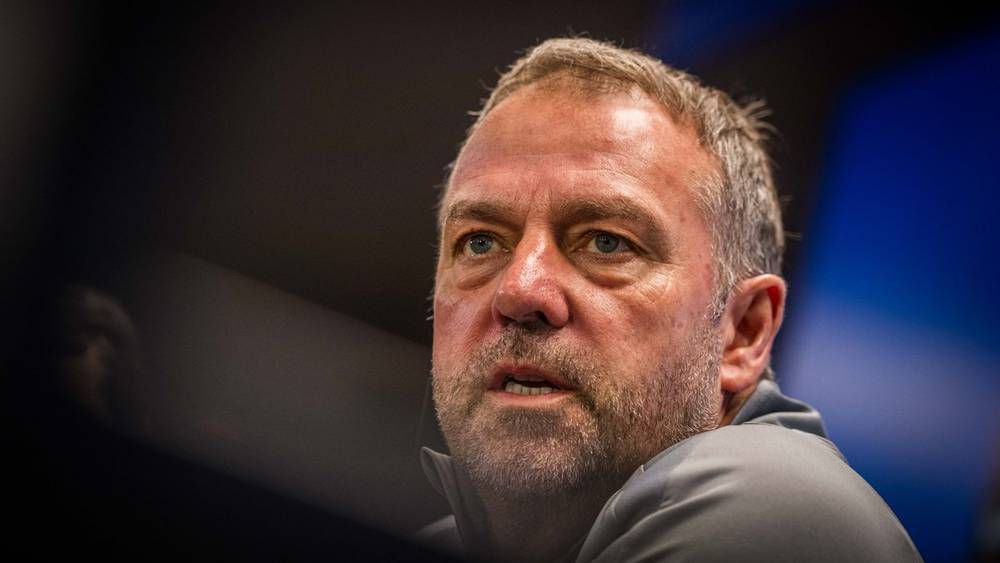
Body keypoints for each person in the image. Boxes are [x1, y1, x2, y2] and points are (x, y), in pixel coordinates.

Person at [419, 37, 922, 562]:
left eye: (607, 242)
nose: (520, 290)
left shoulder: (779, 511)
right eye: (480, 242)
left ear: (743, 332)